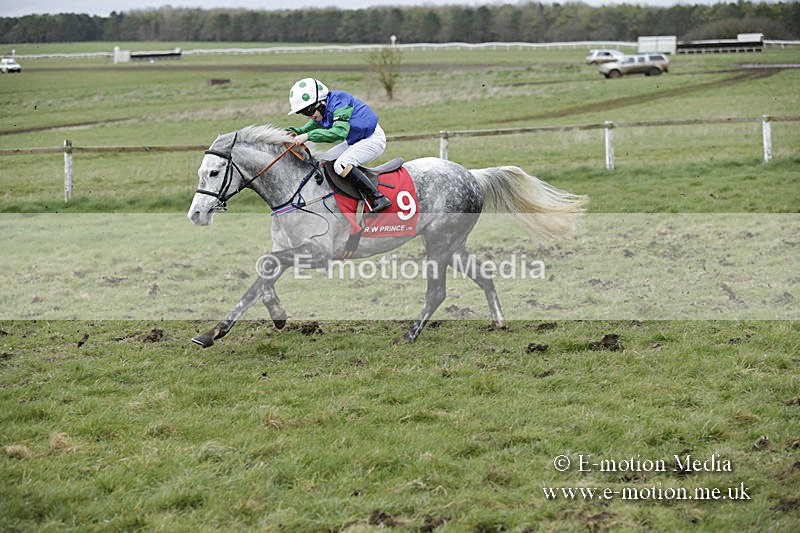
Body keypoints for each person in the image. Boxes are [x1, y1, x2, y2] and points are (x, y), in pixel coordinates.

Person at [286, 77, 392, 212]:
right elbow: (311, 126)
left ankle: (378, 197)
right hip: (355, 140)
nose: (308, 116)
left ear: (320, 103)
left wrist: (307, 136)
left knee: (341, 165)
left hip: (372, 139)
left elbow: (339, 133)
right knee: (322, 161)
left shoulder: (340, 102)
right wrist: (295, 132)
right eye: (303, 113)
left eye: (308, 111)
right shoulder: (324, 107)